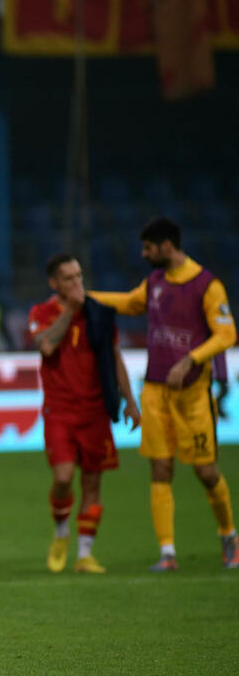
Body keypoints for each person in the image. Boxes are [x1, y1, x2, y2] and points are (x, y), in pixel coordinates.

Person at [89, 218, 238, 570]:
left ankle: (229, 535)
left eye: (148, 248)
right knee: (160, 468)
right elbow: (130, 302)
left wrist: (190, 360)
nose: (144, 254)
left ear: (166, 246)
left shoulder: (206, 285)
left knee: (206, 472)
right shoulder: (155, 281)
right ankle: (167, 553)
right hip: (155, 391)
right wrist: (86, 298)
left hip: (193, 395)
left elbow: (227, 334)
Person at [30, 255, 142, 573]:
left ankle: (84, 554)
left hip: (95, 411)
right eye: (68, 278)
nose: (76, 283)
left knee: (92, 482)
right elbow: (46, 347)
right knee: (63, 477)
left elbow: (115, 356)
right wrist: (69, 311)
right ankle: (61, 532)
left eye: (79, 276)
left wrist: (130, 401)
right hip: (60, 411)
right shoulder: (41, 313)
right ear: (54, 283)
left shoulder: (99, 312)